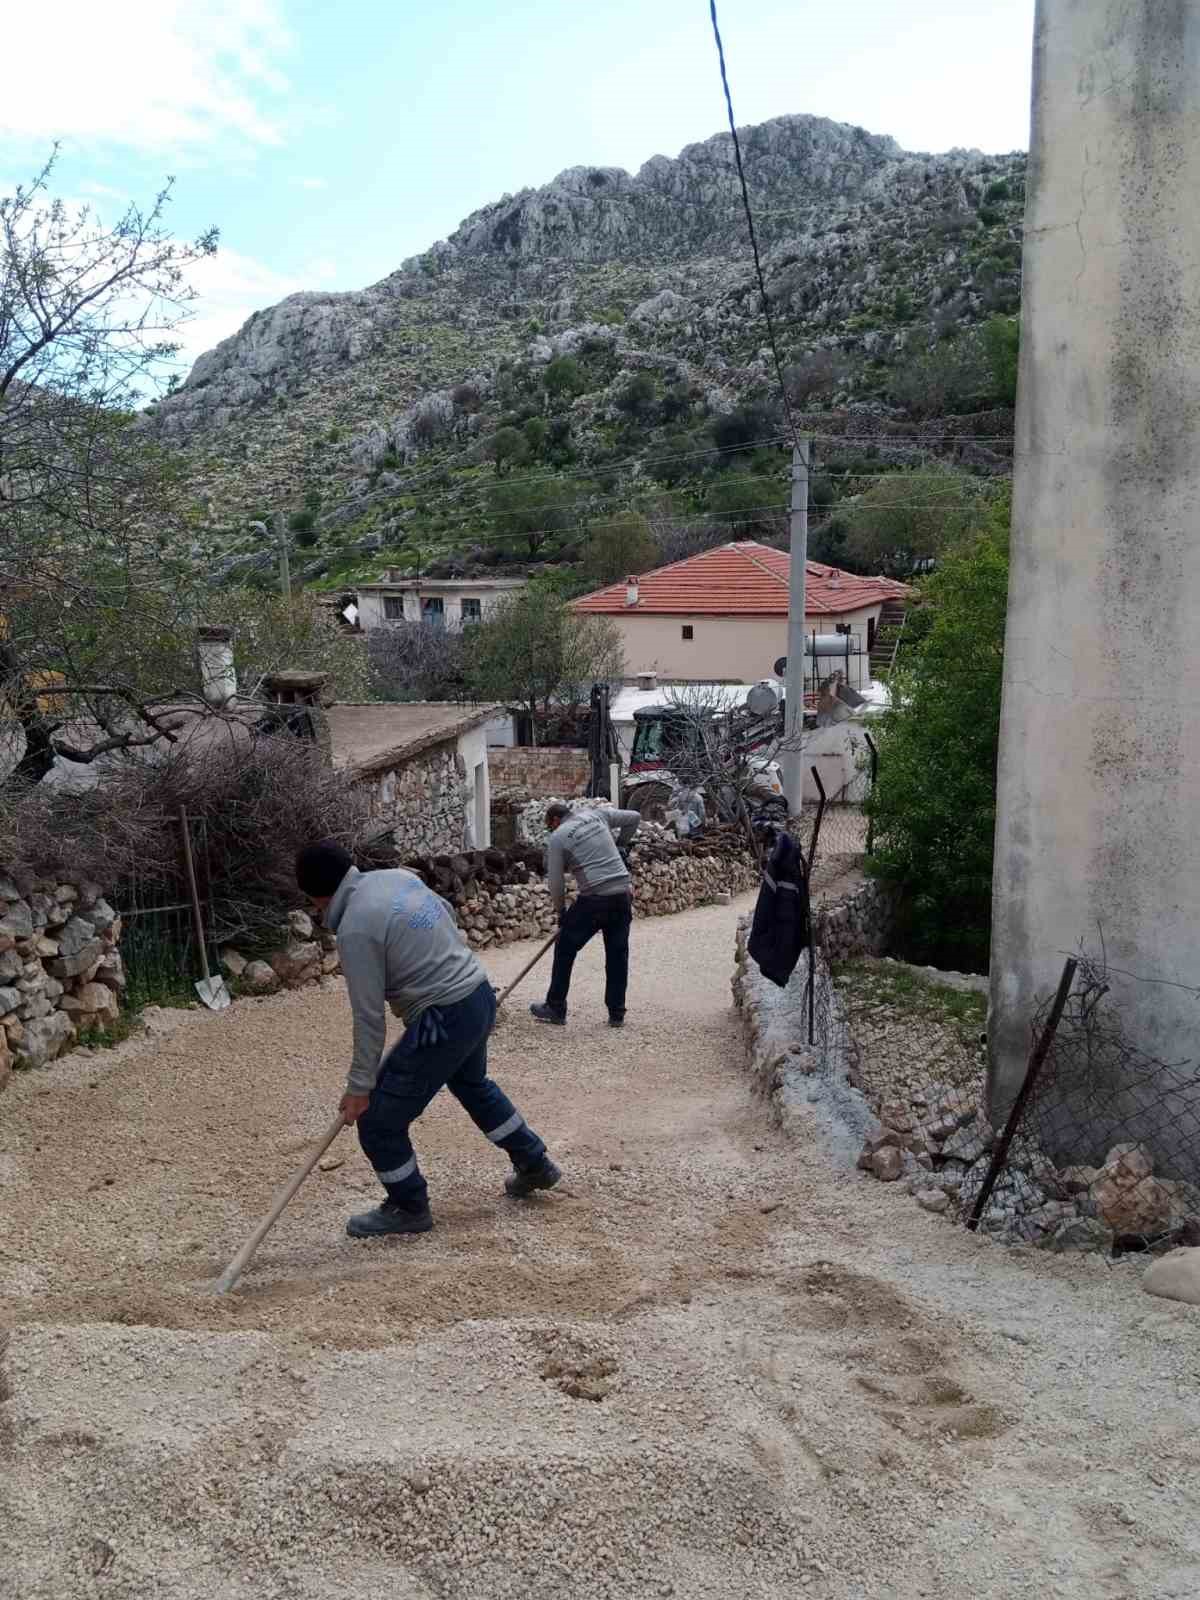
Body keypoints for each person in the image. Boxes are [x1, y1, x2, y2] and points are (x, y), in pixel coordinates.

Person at [295, 841, 561, 1238]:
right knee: (472, 1085)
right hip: (477, 992)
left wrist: (359, 1088)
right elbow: (446, 913)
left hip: (443, 1016)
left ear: (315, 897)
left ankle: (408, 1207)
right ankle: (534, 1163)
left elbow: (369, 1017)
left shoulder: (354, 928)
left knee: (378, 1122)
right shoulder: (396, 878)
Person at [530, 800, 640, 1029]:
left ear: (555, 820)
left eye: (550, 826)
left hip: (594, 898)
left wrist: (561, 911)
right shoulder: (597, 815)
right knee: (617, 953)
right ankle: (617, 1013)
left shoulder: (559, 837)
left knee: (565, 947)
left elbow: (556, 883)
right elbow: (634, 817)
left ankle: (556, 1007)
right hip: (622, 894)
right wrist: (621, 845)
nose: (551, 830)